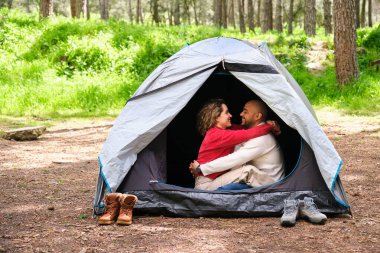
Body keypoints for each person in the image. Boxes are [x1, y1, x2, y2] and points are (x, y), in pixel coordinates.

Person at [189, 99, 285, 190]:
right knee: (247, 170)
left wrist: (268, 123)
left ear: (257, 116)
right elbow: (248, 133)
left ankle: (278, 188)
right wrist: (200, 169)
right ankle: (279, 188)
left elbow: (245, 130)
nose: (232, 115)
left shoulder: (228, 131)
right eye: (226, 112)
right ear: (216, 118)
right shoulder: (218, 134)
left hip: (213, 179)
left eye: (245, 111)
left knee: (244, 166)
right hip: (206, 185)